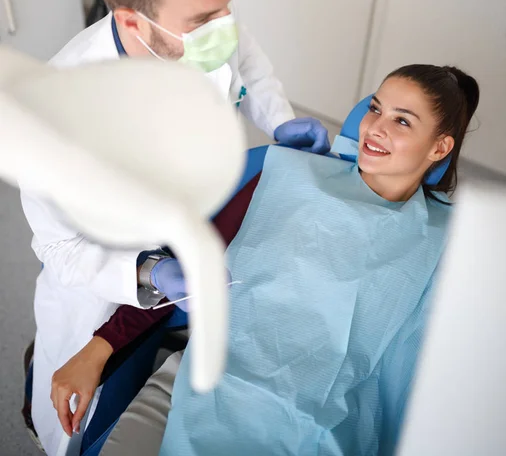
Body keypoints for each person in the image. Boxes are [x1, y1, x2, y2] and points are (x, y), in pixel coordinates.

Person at [20, 0, 330, 456]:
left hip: (197, 212)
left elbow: (249, 63)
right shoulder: (59, 118)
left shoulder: (203, 21)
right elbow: (58, 247)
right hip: (112, 275)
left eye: (227, 5)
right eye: (204, 20)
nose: (226, 26)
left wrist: (280, 123)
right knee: (84, 421)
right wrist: (146, 272)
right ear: (132, 20)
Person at [51, 64, 480, 456]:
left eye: (402, 121)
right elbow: (182, 267)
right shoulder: (286, 176)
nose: (375, 128)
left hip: (327, 426)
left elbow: (441, 376)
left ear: (440, 147)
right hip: (208, 386)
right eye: (375, 108)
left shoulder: (454, 244)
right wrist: (98, 348)